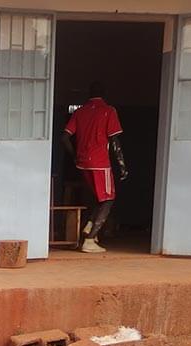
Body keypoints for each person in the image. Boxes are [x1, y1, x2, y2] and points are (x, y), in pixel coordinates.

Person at [61, 82, 128, 253]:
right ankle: (89, 240)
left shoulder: (79, 112)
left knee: (98, 197)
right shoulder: (108, 111)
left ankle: (89, 224)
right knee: (108, 199)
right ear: (104, 94)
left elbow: (65, 137)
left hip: (82, 163)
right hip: (100, 163)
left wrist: (75, 155)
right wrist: (121, 165)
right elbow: (114, 141)